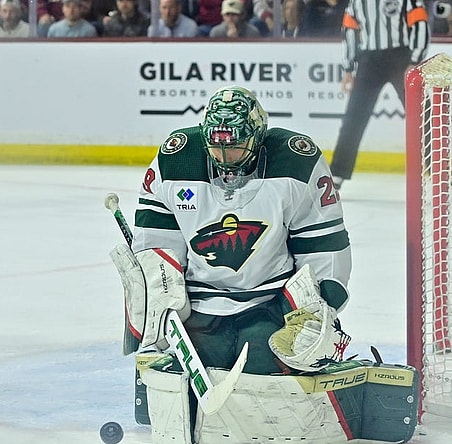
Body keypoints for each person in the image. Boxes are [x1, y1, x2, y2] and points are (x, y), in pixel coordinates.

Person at [112, 85, 353, 440]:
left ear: (257, 138)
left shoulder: (295, 161)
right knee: (187, 374)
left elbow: (323, 246)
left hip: (270, 305)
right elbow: (157, 247)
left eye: (235, 146)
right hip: (198, 306)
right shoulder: (176, 159)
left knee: (263, 372)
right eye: (217, 147)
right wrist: (160, 302)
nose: (224, 156)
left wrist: (318, 309)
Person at [329, 0, 429, 189]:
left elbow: (419, 23)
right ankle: (338, 172)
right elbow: (350, 30)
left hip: (400, 58)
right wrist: (349, 68)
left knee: (421, 115)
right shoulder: (357, 2)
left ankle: (439, 165)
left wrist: (415, 60)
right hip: (369, 60)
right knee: (354, 118)